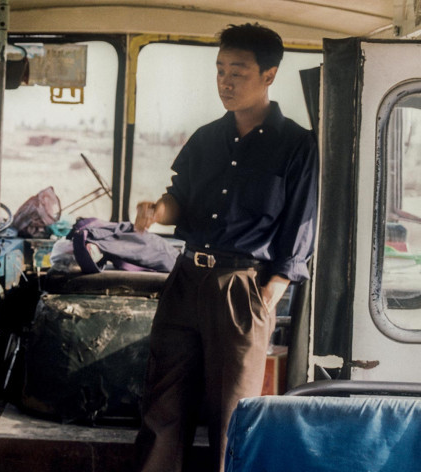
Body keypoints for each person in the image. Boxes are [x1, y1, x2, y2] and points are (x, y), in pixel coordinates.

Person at [132, 24, 317, 472]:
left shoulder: (296, 145)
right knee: (162, 408)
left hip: (243, 287)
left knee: (233, 415)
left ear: (269, 75)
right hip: (185, 280)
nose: (225, 82)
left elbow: (300, 226)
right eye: (219, 71)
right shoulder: (205, 138)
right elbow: (181, 198)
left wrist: (268, 294)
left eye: (238, 71)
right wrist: (158, 211)